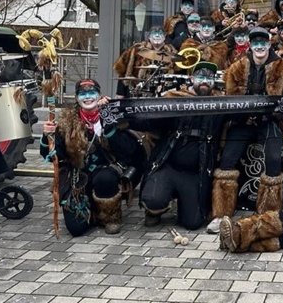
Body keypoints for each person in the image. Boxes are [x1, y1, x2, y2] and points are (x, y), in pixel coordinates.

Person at [207, 27, 283, 233]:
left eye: (263, 43)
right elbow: (231, 100)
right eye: (255, 43)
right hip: (243, 123)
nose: (259, 47)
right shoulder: (236, 68)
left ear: (269, 44)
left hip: (270, 122)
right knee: (227, 160)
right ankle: (221, 214)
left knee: (275, 161)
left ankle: (268, 215)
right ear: (250, 46)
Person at [40, 79, 143, 236]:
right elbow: (53, 155)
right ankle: (92, 209)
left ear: (99, 95)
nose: (88, 97)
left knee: (105, 178)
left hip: (105, 169)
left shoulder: (111, 114)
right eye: (83, 94)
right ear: (76, 97)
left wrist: (108, 127)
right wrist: (47, 136)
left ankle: (110, 217)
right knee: (76, 229)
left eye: (92, 93)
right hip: (77, 174)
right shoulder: (66, 121)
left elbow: (128, 151)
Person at [138, 62, 226, 230]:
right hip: (168, 166)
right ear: (192, 79)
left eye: (209, 78)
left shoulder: (221, 104)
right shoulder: (173, 99)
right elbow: (148, 120)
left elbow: (243, 114)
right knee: (153, 200)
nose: (204, 81)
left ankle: (184, 200)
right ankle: (155, 210)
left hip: (195, 172)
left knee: (193, 223)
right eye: (200, 77)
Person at [113, 26, 178, 98]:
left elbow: (178, 75)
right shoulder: (137, 50)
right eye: (154, 33)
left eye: (160, 33)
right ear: (149, 37)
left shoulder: (172, 52)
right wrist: (120, 92)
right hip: (138, 95)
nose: (157, 35)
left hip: (163, 97)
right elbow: (123, 71)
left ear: (164, 37)